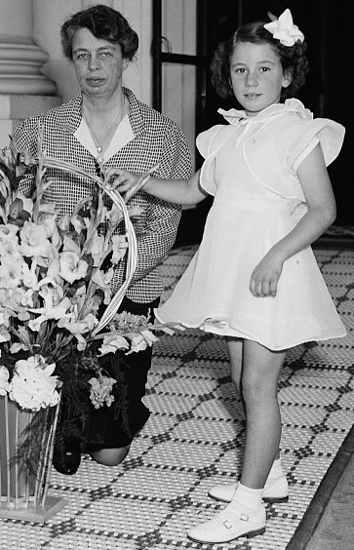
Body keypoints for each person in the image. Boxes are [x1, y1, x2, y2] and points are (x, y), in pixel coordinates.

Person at [109, 9, 345, 544]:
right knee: (243, 380)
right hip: (233, 272)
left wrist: (275, 256)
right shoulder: (225, 136)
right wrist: (143, 179)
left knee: (258, 386)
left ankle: (248, 506)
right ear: (228, 74)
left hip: (271, 275)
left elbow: (322, 209)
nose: (252, 81)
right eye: (241, 70)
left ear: (287, 74)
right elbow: (194, 192)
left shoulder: (297, 132)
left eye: (265, 69)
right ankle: (272, 473)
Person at [0, 5, 192, 474]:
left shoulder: (162, 136)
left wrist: (104, 280)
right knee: (57, 382)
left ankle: (106, 418)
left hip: (126, 294)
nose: (93, 67)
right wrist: (51, 272)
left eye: (106, 53)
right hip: (54, 295)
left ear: (125, 57)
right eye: (82, 55)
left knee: (111, 452)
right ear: (71, 61)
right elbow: (11, 205)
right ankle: (61, 421)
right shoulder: (40, 131)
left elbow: (164, 225)